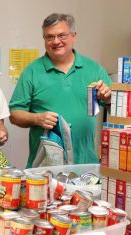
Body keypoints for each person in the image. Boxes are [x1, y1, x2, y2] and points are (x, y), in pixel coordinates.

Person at [9, 13, 112, 168]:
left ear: (74, 36)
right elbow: (14, 114)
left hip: (86, 164)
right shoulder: (32, 72)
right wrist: (37, 119)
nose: (56, 41)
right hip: (45, 167)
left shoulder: (94, 69)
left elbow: (118, 108)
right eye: (49, 37)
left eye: (61, 35)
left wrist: (109, 98)